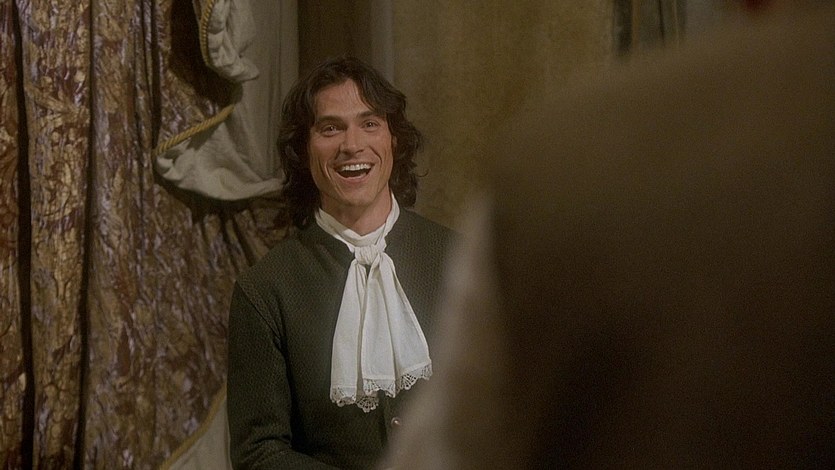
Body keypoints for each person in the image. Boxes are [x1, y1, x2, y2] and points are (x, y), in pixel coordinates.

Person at [382, 1, 835, 468]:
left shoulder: (561, 159)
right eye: (337, 128)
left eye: (370, 124)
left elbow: (456, 448)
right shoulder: (563, 162)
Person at [226, 57, 456, 469]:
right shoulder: (265, 290)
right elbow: (257, 454)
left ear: (393, 140)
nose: (352, 145)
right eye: (330, 128)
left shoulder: (459, 258)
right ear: (303, 149)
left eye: (370, 123)